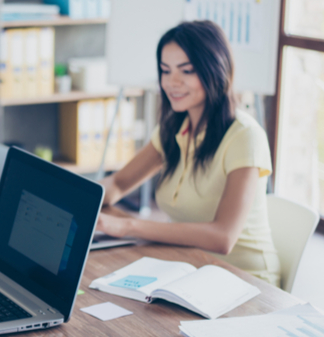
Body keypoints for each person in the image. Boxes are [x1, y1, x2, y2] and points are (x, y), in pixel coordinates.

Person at [97, 20, 280, 286]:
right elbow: (116, 184)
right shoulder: (174, 128)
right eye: (165, 70)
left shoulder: (245, 136)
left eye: (187, 70)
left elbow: (223, 237)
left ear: (215, 70)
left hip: (246, 280)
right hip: (190, 267)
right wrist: (70, 196)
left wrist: (128, 226)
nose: (172, 82)